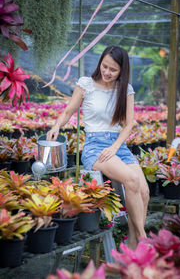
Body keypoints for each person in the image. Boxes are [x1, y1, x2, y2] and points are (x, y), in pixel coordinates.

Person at [47, 45, 149, 249]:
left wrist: (115, 146)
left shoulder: (125, 89)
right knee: (131, 179)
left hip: (117, 146)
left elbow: (129, 124)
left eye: (113, 69)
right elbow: (68, 111)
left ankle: (132, 247)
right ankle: (143, 237)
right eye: (105, 66)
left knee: (144, 191)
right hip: (95, 146)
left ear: (122, 70)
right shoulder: (87, 84)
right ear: (100, 62)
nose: (107, 72)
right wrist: (56, 126)